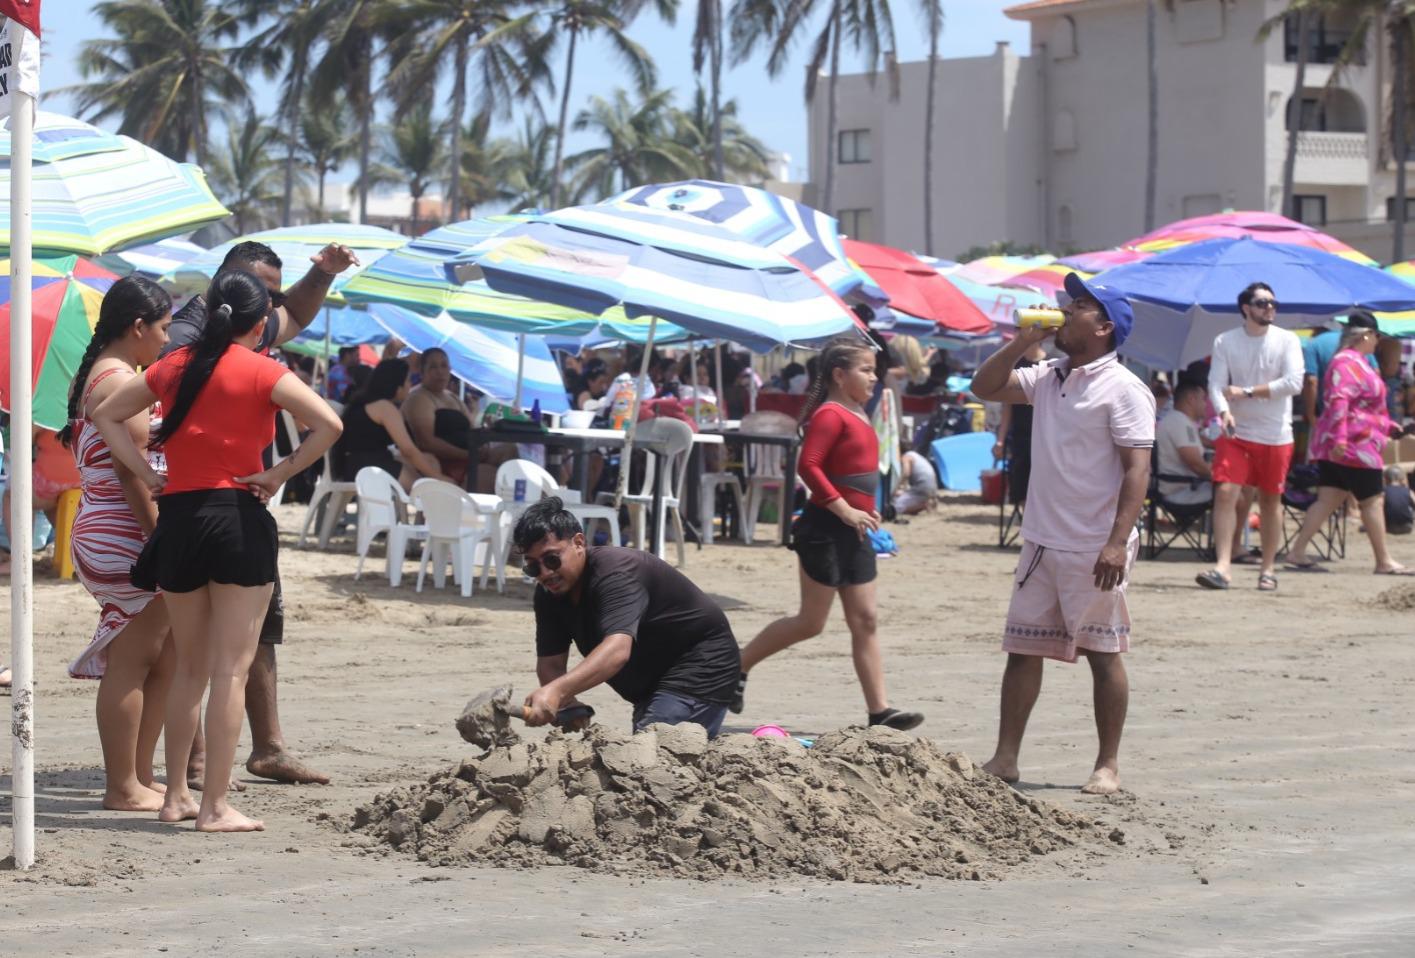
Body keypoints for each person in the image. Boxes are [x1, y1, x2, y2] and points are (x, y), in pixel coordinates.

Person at [93, 270, 343, 832]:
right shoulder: (263, 369)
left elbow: (104, 414)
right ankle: (215, 806)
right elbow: (329, 424)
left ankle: (177, 795)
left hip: (178, 519)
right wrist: (278, 473)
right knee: (230, 671)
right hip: (236, 518)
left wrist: (144, 473)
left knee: (189, 669)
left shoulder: (173, 366)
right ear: (259, 325)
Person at [164, 239, 359, 788]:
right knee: (198, 651)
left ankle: (266, 747)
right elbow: (330, 425)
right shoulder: (187, 337)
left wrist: (321, 271)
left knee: (255, 632)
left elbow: (295, 313)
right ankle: (198, 767)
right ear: (231, 283)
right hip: (200, 502)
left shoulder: (245, 327)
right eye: (264, 292)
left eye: (274, 291)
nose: (272, 306)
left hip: (226, 502)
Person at [971, 273, 1154, 795]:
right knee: (1023, 649)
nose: (1066, 311)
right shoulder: (1049, 373)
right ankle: (1006, 758)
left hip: (1095, 542)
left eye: (1079, 306)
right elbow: (983, 388)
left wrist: (1117, 541)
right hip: (1042, 539)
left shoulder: (1124, 388)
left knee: (1103, 652)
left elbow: (1137, 469)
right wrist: (1021, 342)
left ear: (1104, 327)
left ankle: (1107, 765)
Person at [731, 336, 924, 731]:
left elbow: (855, 470)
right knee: (811, 622)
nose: (874, 377)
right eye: (866, 370)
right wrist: (845, 509)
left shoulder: (858, 410)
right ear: (839, 374)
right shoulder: (829, 414)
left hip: (856, 529)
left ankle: (880, 712)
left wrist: (865, 509)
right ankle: (737, 666)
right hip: (825, 529)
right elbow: (809, 467)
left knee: (866, 619)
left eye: (875, 369)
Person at [58, 276, 176, 811]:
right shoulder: (116, 382)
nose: (167, 341)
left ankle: (138, 776)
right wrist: (160, 541)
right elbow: (133, 476)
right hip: (124, 527)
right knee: (134, 658)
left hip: (109, 524)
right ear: (138, 326)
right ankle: (122, 786)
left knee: (159, 656)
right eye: (164, 328)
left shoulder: (107, 373)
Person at [517, 497, 742, 737]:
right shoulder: (548, 593)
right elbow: (550, 665)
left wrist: (556, 692)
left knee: (650, 758)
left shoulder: (616, 574)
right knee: (646, 754)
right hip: (651, 684)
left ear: (579, 543)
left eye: (552, 559)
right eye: (533, 567)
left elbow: (617, 651)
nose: (545, 573)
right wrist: (568, 705)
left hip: (702, 665)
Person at [1196, 282, 1304, 592]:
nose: (1269, 307)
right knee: (1227, 492)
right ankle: (1223, 566)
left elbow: (1294, 383)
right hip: (1237, 431)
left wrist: (1245, 392)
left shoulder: (1287, 340)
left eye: (1273, 303)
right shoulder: (1225, 341)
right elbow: (1216, 385)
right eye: (1262, 303)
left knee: (1270, 501)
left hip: (1276, 433)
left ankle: (1268, 569)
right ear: (1246, 308)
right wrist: (1223, 410)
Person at [1283, 321, 1411, 575]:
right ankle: (1383, 560)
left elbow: (1360, 407)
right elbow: (1340, 402)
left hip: (1347, 441)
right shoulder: (1348, 362)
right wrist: (1341, 439)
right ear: (1365, 335)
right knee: (1373, 500)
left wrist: (1386, 425)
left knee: (1328, 499)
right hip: (1354, 446)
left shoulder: (1357, 361)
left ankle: (1297, 552)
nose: (1378, 341)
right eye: (1376, 335)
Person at [334, 358, 449, 489]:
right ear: (397, 386)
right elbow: (408, 450)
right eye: (408, 380)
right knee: (426, 489)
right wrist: (438, 477)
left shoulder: (364, 403)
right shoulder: (385, 407)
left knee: (429, 460)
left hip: (354, 465)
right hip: (370, 468)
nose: (410, 385)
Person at [401, 347, 471, 485]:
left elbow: (473, 430)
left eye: (444, 366)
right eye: (433, 367)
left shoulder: (455, 398)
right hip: (436, 462)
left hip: (468, 457)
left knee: (508, 452)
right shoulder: (418, 398)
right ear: (422, 371)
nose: (440, 371)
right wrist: (468, 455)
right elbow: (426, 442)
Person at [992, 341, 1048, 509]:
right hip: (1021, 434)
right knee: (1021, 481)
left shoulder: (1051, 364)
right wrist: (1000, 439)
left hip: (1046, 434)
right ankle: (1026, 517)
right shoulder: (1017, 365)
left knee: (1043, 480)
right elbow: (1007, 406)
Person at [1155, 382, 1213, 507]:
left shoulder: (1178, 420)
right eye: (1203, 399)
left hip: (1180, 487)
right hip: (1179, 491)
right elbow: (1195, 464)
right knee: (1231, 494)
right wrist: (1221, 476)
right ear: (1191, 399)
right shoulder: (1180, 422)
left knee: (1230, 492)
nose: (1206, 404)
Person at [893, 438, 938, 515]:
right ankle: (922, 503)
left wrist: (896, 488)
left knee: (896, 506)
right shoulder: (916, 455)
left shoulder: (906, 457)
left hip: (922, 488)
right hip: (931, 487)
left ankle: (921, 505)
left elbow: (906, 473)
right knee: (903, 497)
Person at [1384, 465, 1413, 535]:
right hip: (1407, 527)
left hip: (1389, 527)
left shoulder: (1383, 492)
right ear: (1402, 479)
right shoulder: (1408, 491)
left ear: (1385, 479)